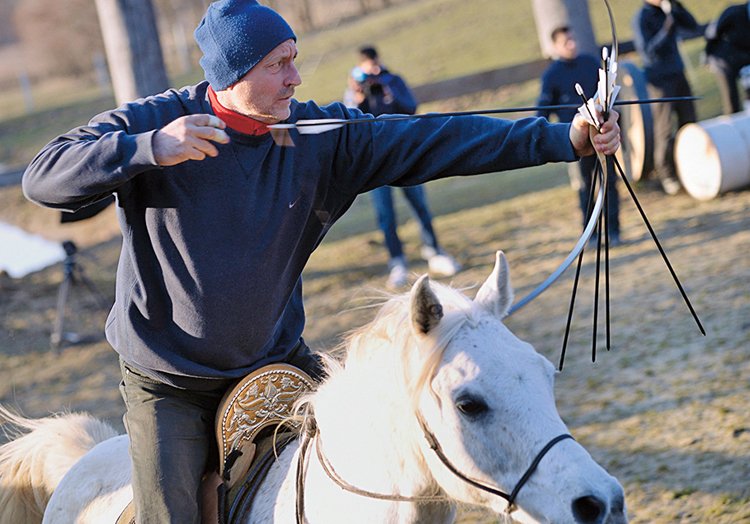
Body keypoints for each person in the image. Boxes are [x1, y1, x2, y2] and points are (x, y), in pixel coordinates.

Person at [21, 0, 620, 521]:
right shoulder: (157, 123)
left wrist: (560, 139)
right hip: (171, 381)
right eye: (277, 65)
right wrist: (150, 149)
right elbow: (43, 178)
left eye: (294, 58)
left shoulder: (310, 133)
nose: (295, 77)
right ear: (233, 74)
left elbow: (430, 138)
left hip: (277, 365)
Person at [345, 46, 460, 288]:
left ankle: (434, 251)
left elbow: (410, 108)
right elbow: (352, 121)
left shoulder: (393, 80)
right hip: (375, 161)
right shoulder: (355, 87)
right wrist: (358, 97)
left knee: (419, 204)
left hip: (404, 153)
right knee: (385, 214)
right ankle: (396, 261)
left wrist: (389, 94)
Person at [537, 27, 621, 246]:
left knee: (609, 183)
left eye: (573, 39)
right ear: (555, 46)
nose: (572, 45)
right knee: (585, 187)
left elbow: (605, 94)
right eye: (566, 42)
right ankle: (590, 234)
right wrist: (542, 138)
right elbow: (542, 111)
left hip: (600, 135)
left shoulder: (590, 63)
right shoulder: (552, 74)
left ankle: (613, 231)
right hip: (575, 142)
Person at [633, 0, 700, 196]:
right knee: (664, 128)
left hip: (678, 74)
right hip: (660, 81)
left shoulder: (668, 9)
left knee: (689, 122)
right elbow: (648, 52)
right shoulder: (642, 17)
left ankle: (689, 167)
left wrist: (678, 8)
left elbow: (693, 26)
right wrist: (666, 29)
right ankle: (666, 174)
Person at [704, 2, 750, 115]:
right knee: (731, 99)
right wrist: (707, 55)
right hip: (723, 61)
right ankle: (732, 124)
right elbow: (713, 33)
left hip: (744, 60)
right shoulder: (734, 12)